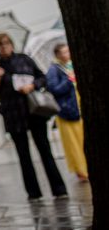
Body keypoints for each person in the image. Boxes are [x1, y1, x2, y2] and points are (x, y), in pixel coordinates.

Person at [0, 33, 68, 200]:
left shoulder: (24, 59)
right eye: (0, 44)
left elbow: (42, 78)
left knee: (45, 150)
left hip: (34, 112)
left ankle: (59, 189)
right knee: (24, 155)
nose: (4, 46)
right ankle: (33, 192)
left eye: (7, 43)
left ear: (12, 44)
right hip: (14, 116)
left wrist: (32, 86)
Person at [46, 43, 87, 181]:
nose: (66, 54)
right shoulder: (54, 69)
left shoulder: (71, 65)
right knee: (73, 143)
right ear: (57, 54)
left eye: (67, 51)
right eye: (63, 52)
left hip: (78, 108)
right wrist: (68, 80)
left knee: (83, 139)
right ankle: (80, 170)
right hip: (66, 111)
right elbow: (54, 89)